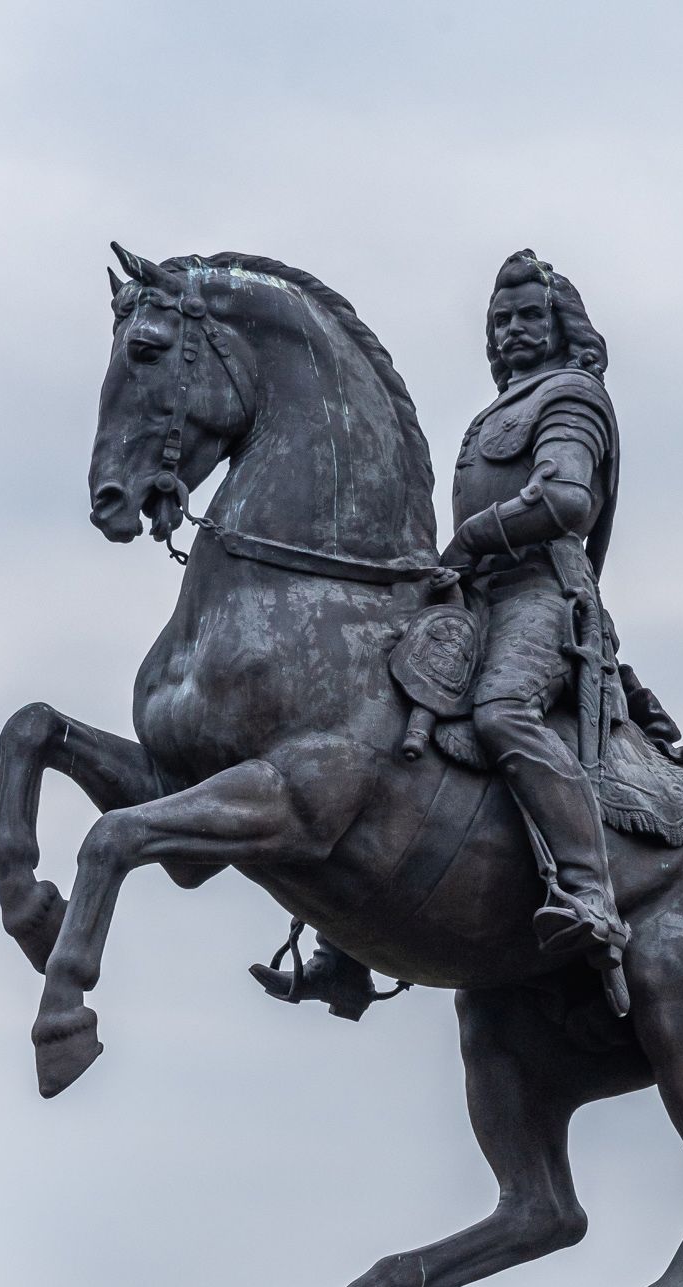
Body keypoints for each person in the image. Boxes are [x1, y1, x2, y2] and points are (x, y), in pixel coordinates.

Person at [253, 249, 626, 1018]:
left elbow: (565, 499)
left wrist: (474, 538)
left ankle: (590, 891)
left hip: (538, 593)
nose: (511, 332)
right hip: (474, 591)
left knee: (501, 713)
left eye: (528, 317)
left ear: (561, 328)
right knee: (362, 717)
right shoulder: (497, 410)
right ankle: (342, 954)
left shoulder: (572, 395)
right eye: (500, 321)